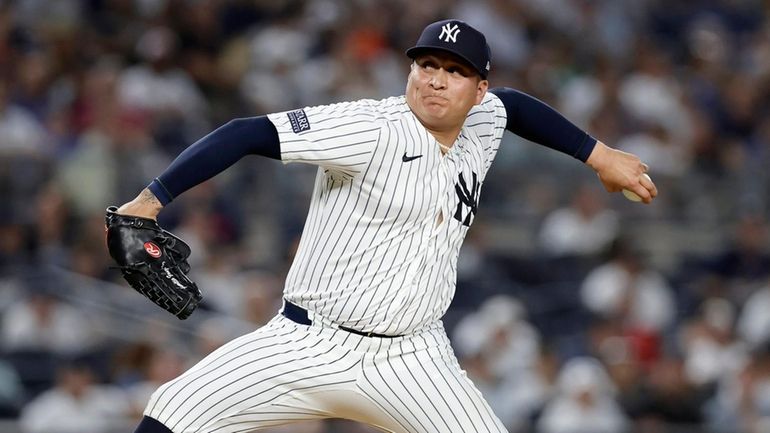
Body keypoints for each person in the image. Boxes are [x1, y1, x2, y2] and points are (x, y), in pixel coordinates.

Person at [114, 19, 657, 433]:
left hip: (413, 357)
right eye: (427, 65)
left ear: (478, 89)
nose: (437, 81)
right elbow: (245, 131)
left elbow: (516, 107)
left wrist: (598, 154)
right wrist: (150, 200)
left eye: (455, 71)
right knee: (173, 410)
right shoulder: (370, 128)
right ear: (410, 70)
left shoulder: (486, 120)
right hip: (306, 342)